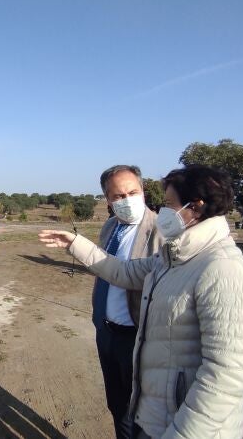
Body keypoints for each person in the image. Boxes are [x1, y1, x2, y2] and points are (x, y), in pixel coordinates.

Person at [39, 165, 243, 439]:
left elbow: (224, 378)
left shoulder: (224, 269)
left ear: (196, 206)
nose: (163, 210)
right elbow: (124, 272)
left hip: (184, 424)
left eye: (169, 204)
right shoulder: (174, 256)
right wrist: (75, 243)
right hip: (157, 410)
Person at [92, 165, 163, 439]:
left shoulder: (161, 230)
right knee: (117, 405)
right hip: (106, 332)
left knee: (142, 412)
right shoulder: (110, 226)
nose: (127, 200)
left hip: (139, 337)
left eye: (133, 192)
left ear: (143, 191)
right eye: (119, 196)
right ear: (108, 200)